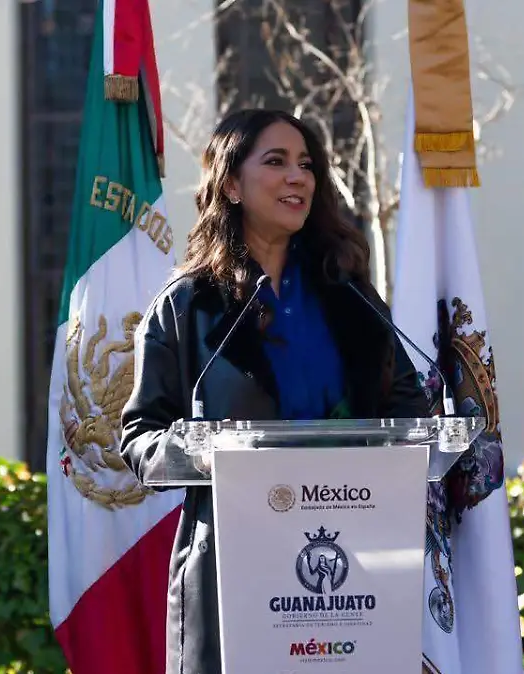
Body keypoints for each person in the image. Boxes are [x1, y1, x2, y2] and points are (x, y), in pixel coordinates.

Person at [118, 108, 429, 674]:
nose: (298, 177)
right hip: (236, 566)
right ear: (232, 183)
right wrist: (199, 448)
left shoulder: (350, 295)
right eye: (277, 162)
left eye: (306, 165)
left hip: (354, 562)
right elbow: (140, 437)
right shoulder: (189, 306)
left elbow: (406, 404)